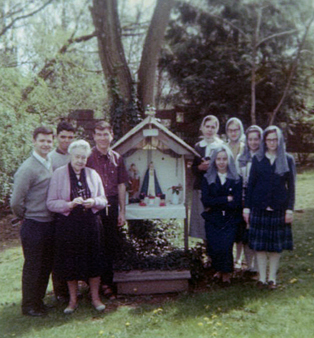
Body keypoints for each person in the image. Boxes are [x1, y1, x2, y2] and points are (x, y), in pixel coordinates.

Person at [47, 140, 107, 313]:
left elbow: (103, 200)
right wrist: (69, 204)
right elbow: (50, 203)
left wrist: (93, 201)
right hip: (68, 225)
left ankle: (95, 298)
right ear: (70, 156)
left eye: (83, 157)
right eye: (77, 157)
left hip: (90, 224)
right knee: (70, 262)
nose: (80, 160)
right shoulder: (59, 174)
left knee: (94, 261)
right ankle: (73, 301)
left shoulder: (93, 174)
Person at [243, 126, 296, 289]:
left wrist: (289, 209)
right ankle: (262, 279)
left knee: (275, 247)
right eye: (269, 139)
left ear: (280, 141)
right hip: (259, 207)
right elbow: (250, 185)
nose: (272, 143)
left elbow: (292, 187)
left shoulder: (287, 159)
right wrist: (247, 208)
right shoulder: (258, 159)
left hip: (279, 209)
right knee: (259, 246)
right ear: (264, 141)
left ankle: (272, 278)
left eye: (275, 139)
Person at [11, 126, 54, 317]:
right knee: (33, 266)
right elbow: (15, 201)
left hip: (49, 224)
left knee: (45, 265)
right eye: (42, 140)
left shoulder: (48, 162)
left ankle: (39, 302)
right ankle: (28, 306)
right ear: (34, 142)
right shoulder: (28, 168)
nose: (46, 144)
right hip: (33, 224)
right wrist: (25, 216)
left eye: (49, 141)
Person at [87, 121, 128, 298]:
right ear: (94, 136)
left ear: (112, 136)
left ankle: (108, 283)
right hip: (93, 206)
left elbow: (121, 185)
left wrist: (122, 211)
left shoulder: (117, 158)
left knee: (110, 245)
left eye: (106, 134)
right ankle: (93, 286)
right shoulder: (88, 157)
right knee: (94, 245)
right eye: (99, 134)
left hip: (111, 204)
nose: (103, 138)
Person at [201, 145, 242, 284]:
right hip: (213, 217)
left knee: (226, 245)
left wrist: (217, 202)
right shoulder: (207, 177)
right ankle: (218, 270)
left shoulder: (236, 178)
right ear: (214, 160)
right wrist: (225, 199)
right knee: (215, 245)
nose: (221, 162)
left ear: (229, 160)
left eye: (224, 159)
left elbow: (236, 202)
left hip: (230, 217)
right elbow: (206, 200)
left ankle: (227, 273)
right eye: (218, 159)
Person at [49, 121, 76, 302]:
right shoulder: (50, 158)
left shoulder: (77, 156)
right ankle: (60, 291)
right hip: (56, 211)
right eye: (63, 137)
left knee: (73, 251)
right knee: (57, 253)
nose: (66, 141)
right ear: (57, 137)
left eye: (70, 137)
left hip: (75, 212)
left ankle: (75, 288)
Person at [190, 115, 223, 241]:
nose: (210, 130)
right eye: (207, 126)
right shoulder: (198, 146)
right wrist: (200, 168)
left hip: (217, 190)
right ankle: (206, 252)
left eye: (213, 127)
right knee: (202, 222)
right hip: (200, 188)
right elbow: (193, 169)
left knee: (216, 221)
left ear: (217, 129)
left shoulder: (221, 146)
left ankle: (216, 254)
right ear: (202, 128)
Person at [237, 125, 263, 277]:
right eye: (250, 139)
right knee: (246, 231)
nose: (253, 142)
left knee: (258, 231)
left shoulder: (264, 157)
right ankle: (249, 265)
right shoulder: (241, 158)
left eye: (256, 139)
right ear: (246, 141)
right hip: (244, 197)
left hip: (260, 198)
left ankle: (259, 265)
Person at [225, 117, 245, 269]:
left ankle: (239, 258)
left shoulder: (244, 147)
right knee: (228, 224)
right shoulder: (223, 147)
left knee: (239, 225)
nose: (233, 133)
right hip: (225, 189)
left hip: (240, 189)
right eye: (230, 130)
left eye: (236, 130)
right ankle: (228, 256)